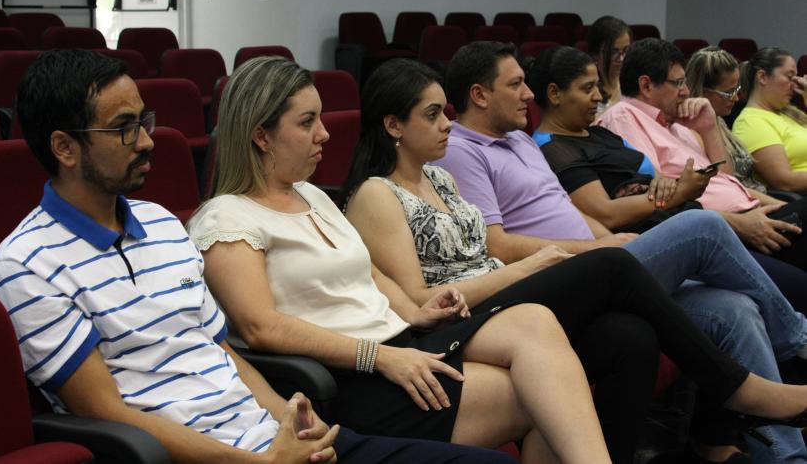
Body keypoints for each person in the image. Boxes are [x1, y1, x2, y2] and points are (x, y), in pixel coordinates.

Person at [0, 49, 521, 464]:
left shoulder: (160, 223)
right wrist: (260, 461)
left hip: (273, 439)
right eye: (123, 128)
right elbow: (105, 413)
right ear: (64, 148)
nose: (147, 141)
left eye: (144, 121)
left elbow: (222, 350)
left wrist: (297, 423)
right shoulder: (27, 263)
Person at [341, 55, 807, 464]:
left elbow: (486, 249)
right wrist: (531, 266)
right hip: (460, 321)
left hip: (502, 294)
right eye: (431, 115)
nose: (446, 124)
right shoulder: (378, 194)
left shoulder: (440, 179)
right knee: (626, 258)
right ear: (394, 126)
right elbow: (420, 302)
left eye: (444, 112)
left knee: (630, 336)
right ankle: (738, 386)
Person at [188, 56, 617, 464]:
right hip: (349, 376)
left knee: (538, 329)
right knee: (545, 396)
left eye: (320, 118)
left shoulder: (311, 195)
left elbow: (367, 271)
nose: (324, 134)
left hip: (397, 343)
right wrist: (378, 356)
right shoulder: (226, 217)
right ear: (261, 136)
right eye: (307, 122)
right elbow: (260, 327)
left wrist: (416, 312)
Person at [598, 38, 807, 272]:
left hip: (749, 218)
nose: (686, 92)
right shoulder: (623, 118)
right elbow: (658, 200)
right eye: (678, 83)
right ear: (646, 86)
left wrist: (708, 127)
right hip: (720, 235)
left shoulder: (676, 123)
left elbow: (726, 179)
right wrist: (740, 224)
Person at [685, 46, 769, 193]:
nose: (736, 98)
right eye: (729, 92)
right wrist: (776, 203)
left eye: (736, 89)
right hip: (743, 201)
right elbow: (728, 183)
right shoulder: (693, 132)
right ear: (703, 91)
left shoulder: (720, 120)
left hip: (755, 198)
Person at [732, 47, 807, 194]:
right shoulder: (751, 122)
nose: (795, 85)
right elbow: (785, 181)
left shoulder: (791, 113)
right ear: (762, 77)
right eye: (790, 77)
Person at [587, 15, 631, 111]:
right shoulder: (587, 88)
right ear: (596, 53)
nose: (621, 59)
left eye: (626, 50)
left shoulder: (632, 82)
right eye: (613, 52)